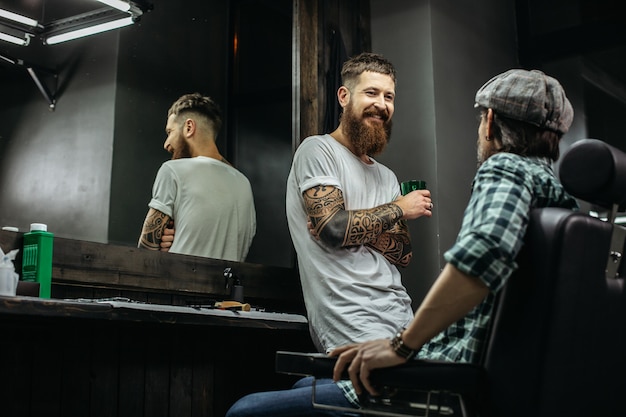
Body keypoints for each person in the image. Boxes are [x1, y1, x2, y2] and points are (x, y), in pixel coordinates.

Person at [331, 68, 580, 408]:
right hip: (465, 379)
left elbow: (484, 253)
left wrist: (400, 346)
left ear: (490, 121)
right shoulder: (560, 198)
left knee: (249, 408)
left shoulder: (506, 167)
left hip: (439, 387)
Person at [225, 52, 433, 416]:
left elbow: (402, 253)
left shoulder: (385, 176)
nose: (381, 105)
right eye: (371, 93)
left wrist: (350, 227)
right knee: (280, 395)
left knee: (245, 409)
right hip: (353, 332)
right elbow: (333, 228)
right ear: (344, 96)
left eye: (389, 97)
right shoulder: (318, 151)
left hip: (398, 328)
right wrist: (398, 209)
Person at [138, 93, 256, 262]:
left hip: (174, 285)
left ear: (189, 127)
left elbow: (144, 253)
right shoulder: (243, 183)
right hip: (227, 288)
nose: (166, 144)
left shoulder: (172, 170)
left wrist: (159, 246)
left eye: (170, 132)